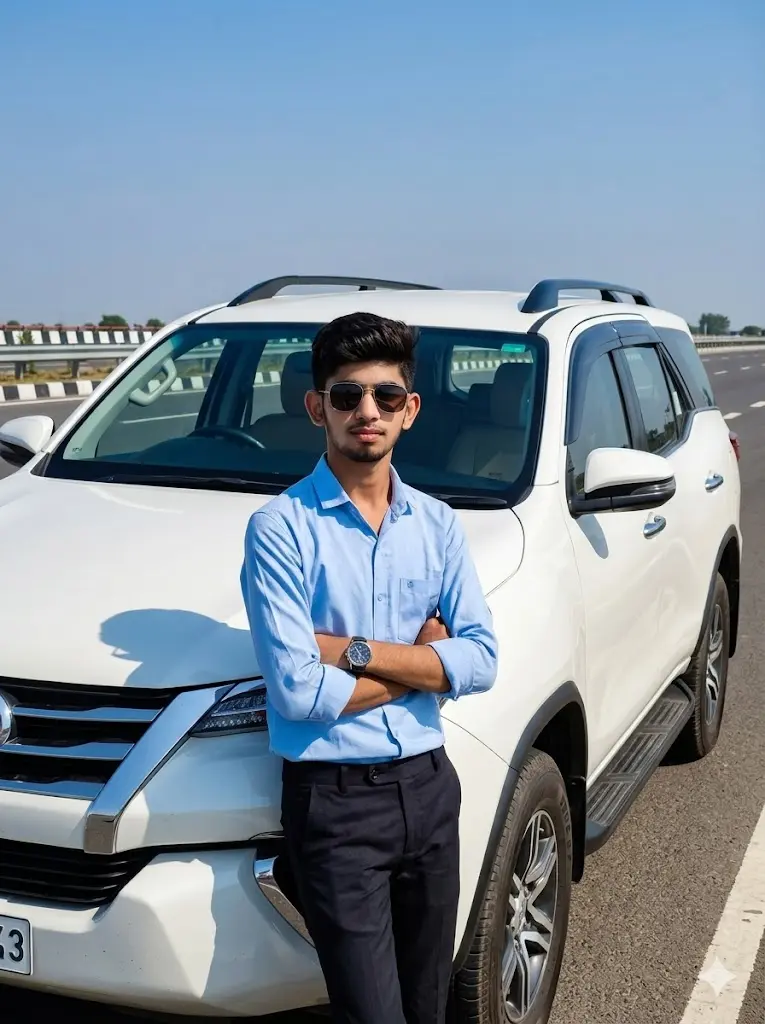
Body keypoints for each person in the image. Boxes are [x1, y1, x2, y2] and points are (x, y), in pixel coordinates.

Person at [240, 311, 498, 1024]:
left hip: (429, 788)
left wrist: (348, 651)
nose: (367, 412)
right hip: (335, 803)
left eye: (386, 397)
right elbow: (295, 691)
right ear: (317, 406)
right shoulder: (280, 530)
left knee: (429, 1006)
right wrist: (422, 663)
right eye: (348, 395)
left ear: (409, 411)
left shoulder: (439, 524)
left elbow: (481, 659)